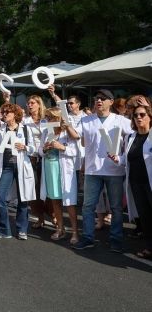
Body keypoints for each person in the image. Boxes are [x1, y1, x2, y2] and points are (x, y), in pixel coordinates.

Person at [72, 89, 132, 252]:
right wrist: (65, 123)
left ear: (111, 102)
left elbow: (135, 136)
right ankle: (88, 238)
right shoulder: (86, 120)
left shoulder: (121, 120)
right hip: (92, 171)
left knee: (116, 208)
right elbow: (76, 136)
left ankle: (116, 239)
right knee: (88, 206)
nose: (99, 101)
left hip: (114, 170)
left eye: (103, 98)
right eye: (97, 98)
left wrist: (123, 156)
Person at [110, 103, 152, 258]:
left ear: (150, 117)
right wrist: (117, 159)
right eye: (135, 115)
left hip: (150, 184)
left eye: (142, 115)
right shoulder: (130, 137)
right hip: (136, 183)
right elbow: (126, 159)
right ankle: (149, 248)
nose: (138, 118)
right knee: (145, 217)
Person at [0, 103, 36, 240]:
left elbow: (34, 149)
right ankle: (5, 230)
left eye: (7, 112)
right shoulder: (0, 131)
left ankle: (22, 230)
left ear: (15, 114)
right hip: (6, 167)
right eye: (3, 112)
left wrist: (25, 147)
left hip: (22, 167)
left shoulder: (25, 129)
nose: (4, 114)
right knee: (0, 198)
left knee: (23, 199)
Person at [38, 107, 80, 244]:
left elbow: (76, 151)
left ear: (58, 118)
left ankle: (75, 232)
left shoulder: (66, 132)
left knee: (69, 202)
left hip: (64, 170)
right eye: (47, 117)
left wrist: (61, 147)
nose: (48, 120)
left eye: (50, 117)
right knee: (55, 200)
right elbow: (40, 150)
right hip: (50, 168)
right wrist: (44, 149)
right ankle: (60, 229)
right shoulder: (46, 132)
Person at [24, 94, 51, 229]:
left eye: (32, 103)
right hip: (32, 157)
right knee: (34, 189)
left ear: (39, 104)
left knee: (49, 188)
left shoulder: (47, 119)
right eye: (28, 103)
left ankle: (52, 214)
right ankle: (40, 218)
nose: (30, 105)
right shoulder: (25, 121)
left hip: (47, 156)